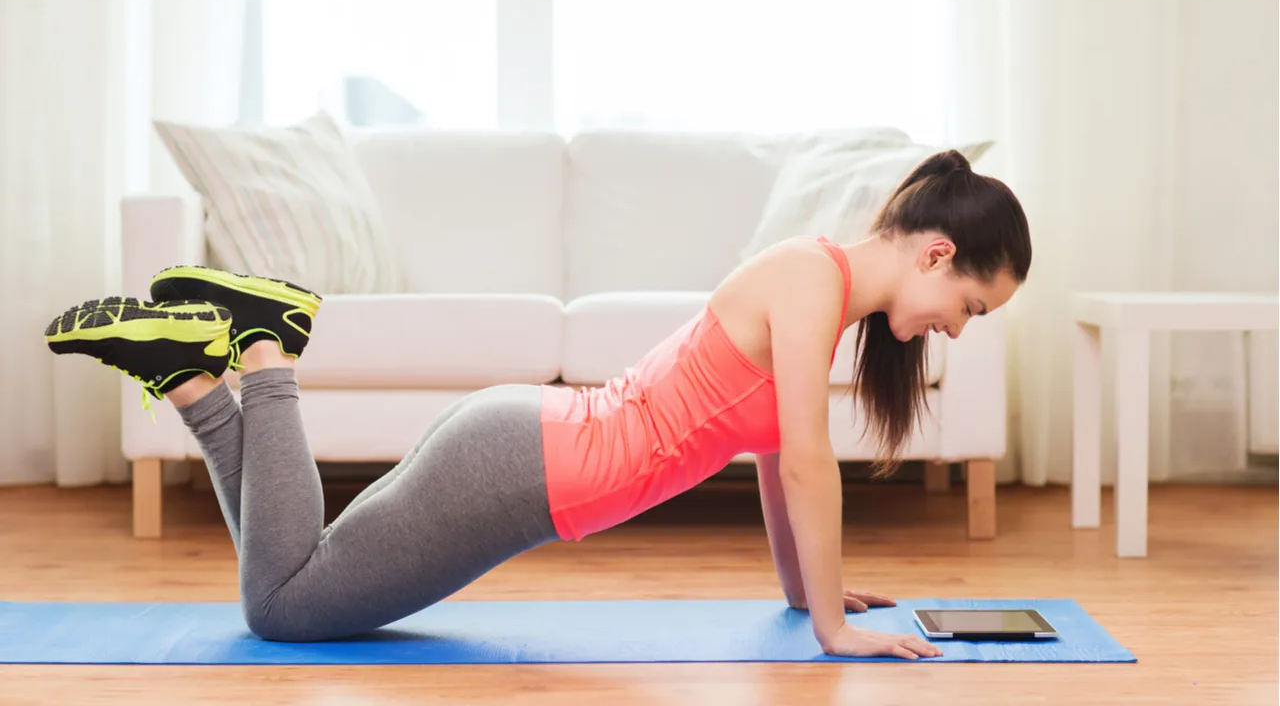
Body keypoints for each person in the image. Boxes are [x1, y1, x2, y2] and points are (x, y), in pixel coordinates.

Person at [44, 149, 1031, 660]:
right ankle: (264, 349)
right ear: (936, 252)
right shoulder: (811, 282)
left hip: (516, 449)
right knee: (283, 609)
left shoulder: (815, 286)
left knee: (294, 573)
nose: (957, 328)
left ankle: (188, 374)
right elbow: (811, 464)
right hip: (520, 472)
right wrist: (831, 633)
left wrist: (806, 596)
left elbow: (776, 462)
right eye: (971, 306)